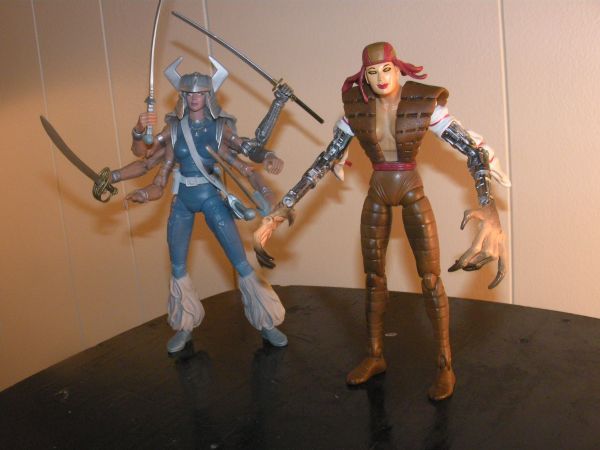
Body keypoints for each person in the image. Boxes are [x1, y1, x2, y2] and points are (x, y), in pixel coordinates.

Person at [254, 42, 510, 401]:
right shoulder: (356, 111)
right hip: (377, 191)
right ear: (364, 76)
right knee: (374, 278)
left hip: (412, 190)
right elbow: (324, 162)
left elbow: (474, 150)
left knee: (430, 278)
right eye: (372, 72)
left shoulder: (424, 105)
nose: (380, 78)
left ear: (398, 68)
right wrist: (282, 209)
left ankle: (444, 364)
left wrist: (488, 206)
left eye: (386, 69)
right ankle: (375, 355)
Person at [112, 56, 293, 353]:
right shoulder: (173, 130)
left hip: (211, 199)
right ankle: (184, 325)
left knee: (240, 262)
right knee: (178, 266)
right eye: (189, 93)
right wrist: (132, 143)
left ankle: (266, 322)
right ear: (182, 95)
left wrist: (269, 154)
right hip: (182, 201)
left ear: (209, 94)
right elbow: (146, 159)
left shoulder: (219, 129)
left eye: (200, 93)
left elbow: (249, 151)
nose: (194, 98)